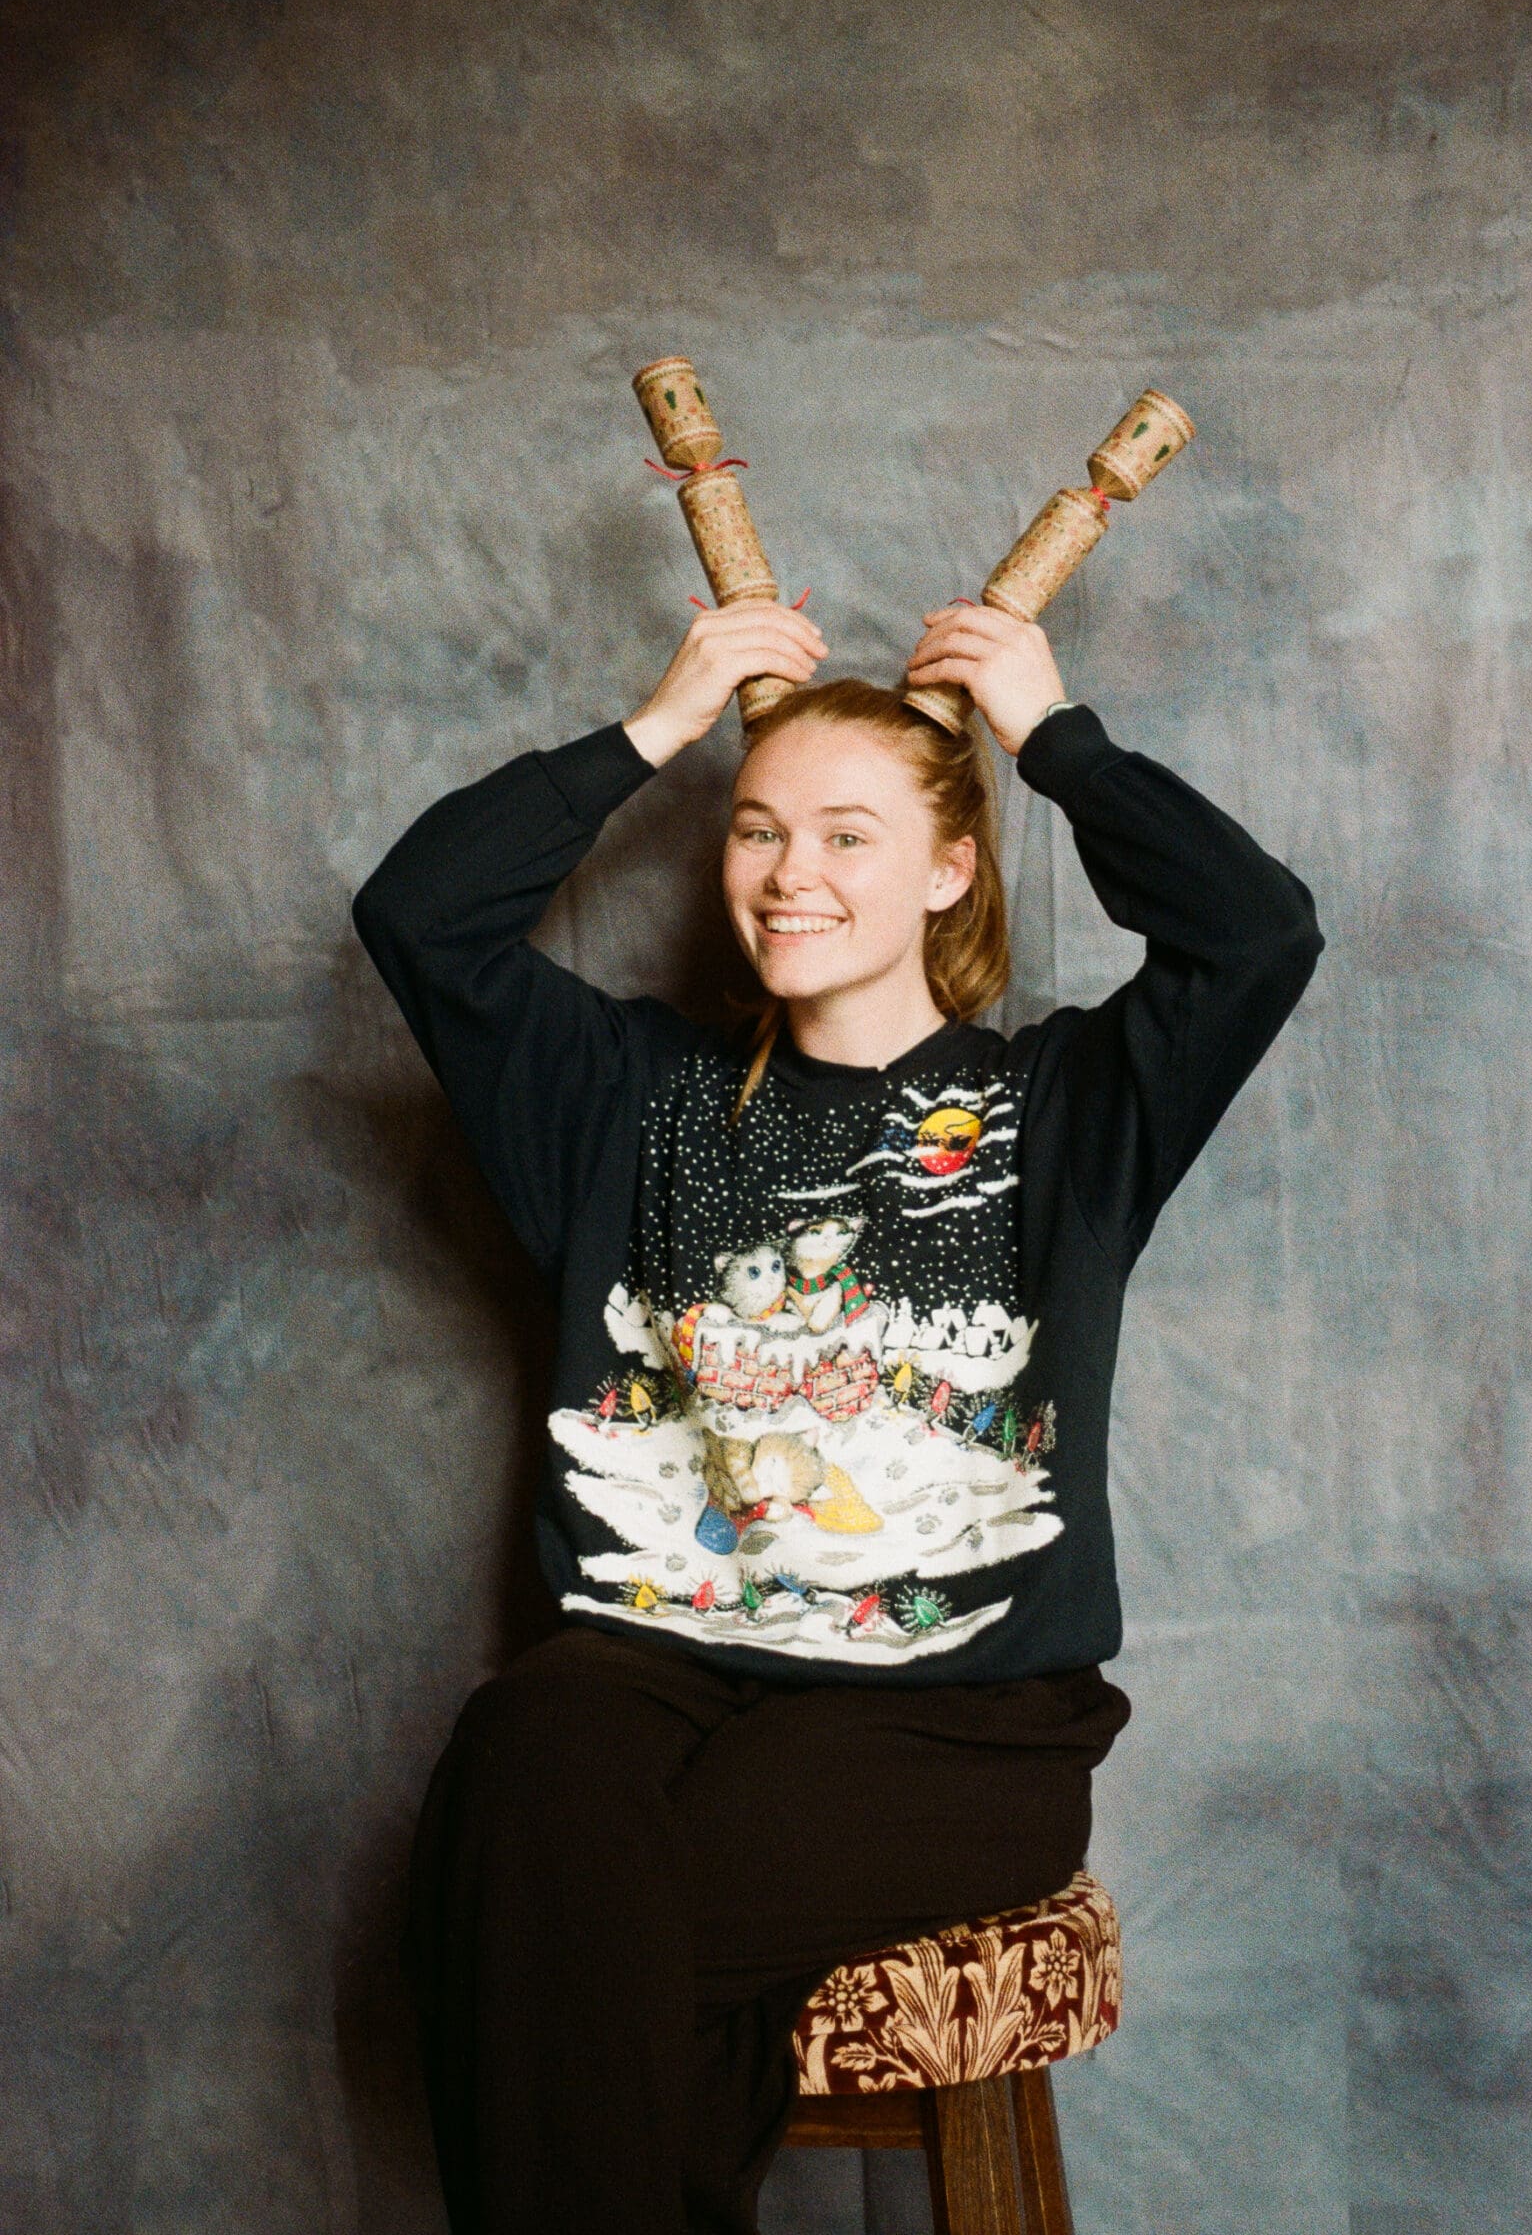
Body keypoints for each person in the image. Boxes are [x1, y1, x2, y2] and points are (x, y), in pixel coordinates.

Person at [350, 588, 1323, 2235]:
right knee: (520, 1753)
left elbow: (1255, 935)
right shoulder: (620, 1096)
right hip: (653, 1663)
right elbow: (419, 916)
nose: (790, 872)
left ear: (949, 869)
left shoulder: (1061, 1111)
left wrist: (1054, 740)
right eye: (754, 831)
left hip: (956, 1717)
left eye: (848, 835)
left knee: (540, 1931)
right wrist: (652, 727)